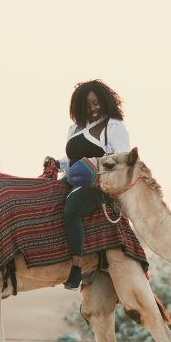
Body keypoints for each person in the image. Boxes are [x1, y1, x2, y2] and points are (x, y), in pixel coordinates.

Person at [45, 80, 130, 290]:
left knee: (73, 206)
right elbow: (70, 159)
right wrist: (56, 163)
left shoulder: (114, 126)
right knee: (45, 196)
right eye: (87, 105)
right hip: (74, 177)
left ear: (105, 102)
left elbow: (123, 158)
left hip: (99, 181)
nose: (92, 108)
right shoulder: (74, 128)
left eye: (96, 103)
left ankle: (76, 268)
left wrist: (94, 164)